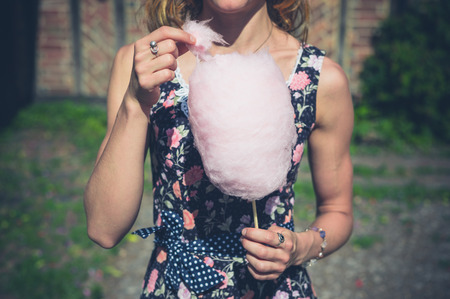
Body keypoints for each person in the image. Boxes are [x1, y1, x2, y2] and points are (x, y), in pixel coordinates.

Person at [84, 0, 354, 297]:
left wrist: (301, 247)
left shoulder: (319, 78)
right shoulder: (145, 65)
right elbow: (103, 229)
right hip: (176, 285)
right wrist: (136, 103)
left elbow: (337, 210)